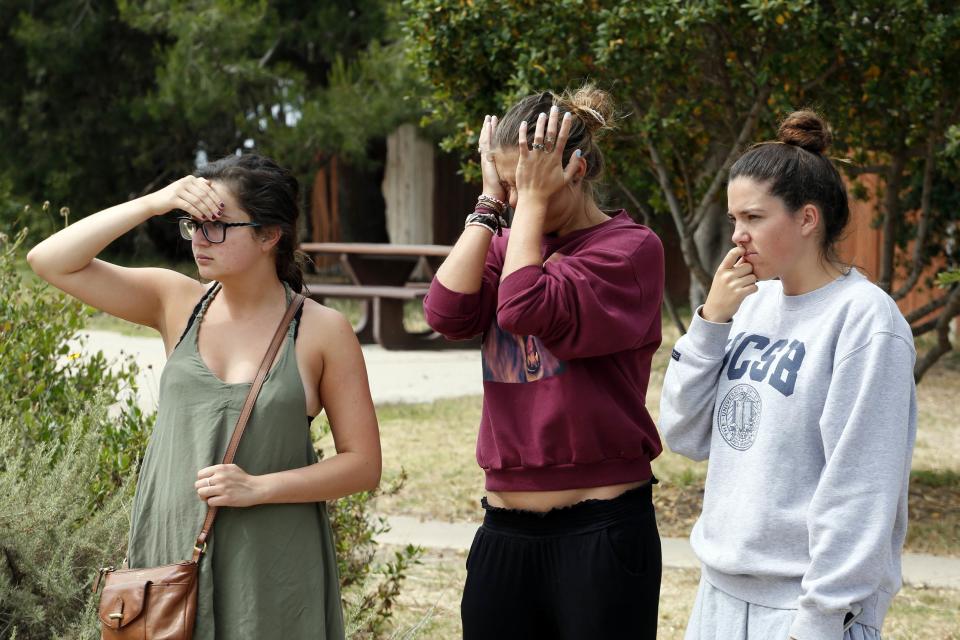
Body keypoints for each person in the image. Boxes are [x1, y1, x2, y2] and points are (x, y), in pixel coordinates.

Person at [27, 153, 381, 639]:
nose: (198, 238)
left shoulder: (322, 330)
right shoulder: (175, 302)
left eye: (215, 225)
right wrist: (156, 202)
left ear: (269, 235)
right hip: (170, 550)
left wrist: (259, 488)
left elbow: (363, 464)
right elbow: (49, 260)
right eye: (192, 223)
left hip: (271, 563)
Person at [659, 111, 917, 640]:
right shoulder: (749, 306)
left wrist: (819, 622)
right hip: (720, 595)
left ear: (806, 218)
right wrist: (710, 323)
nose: (738, 236)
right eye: (734, 219)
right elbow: (684, 435)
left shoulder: (866, 322)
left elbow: (861, 490)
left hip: (806, 610)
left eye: (753, 218)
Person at [423, 86, 665, 639]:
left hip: (600, 527)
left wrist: (526, 206)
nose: (515, 192)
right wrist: (490, 208)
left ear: (575, 168)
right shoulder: (508, 242)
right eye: (506, 179)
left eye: (527, 177)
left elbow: (522, 306)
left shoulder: (629, 250)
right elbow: (445, 312)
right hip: (504, 527)